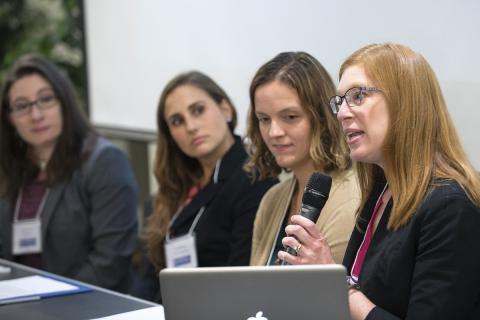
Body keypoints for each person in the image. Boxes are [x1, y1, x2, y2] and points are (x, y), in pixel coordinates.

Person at [279, 43, 480, 319]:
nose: (341, 113)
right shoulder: (380, 191)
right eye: (340, 101)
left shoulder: (451, 207)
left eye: (358, 96)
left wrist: (336, 283)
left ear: (405, 101)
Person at [0, 54, 138, 292]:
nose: (36, 115)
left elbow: (108, 264)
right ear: (11, 119)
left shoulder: (104, 162)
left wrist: (50, 304)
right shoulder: (10, 170)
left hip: (90, 308)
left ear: (64, 102)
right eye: (22, 106)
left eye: (45, 99)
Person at [138, 71, 277, 300]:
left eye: (198, 110)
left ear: (226, 109)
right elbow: (150, 273)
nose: (191, 127)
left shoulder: (254, 180)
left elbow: (240, 282)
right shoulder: (176, 185)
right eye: (177, 121)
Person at [245, 51, 360, 266]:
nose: (274, 132)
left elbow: (328, 293)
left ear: (322, 118)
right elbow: (255, 288)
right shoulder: (272, 199)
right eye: (264, 119)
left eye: (290, 117)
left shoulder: (351, 199)